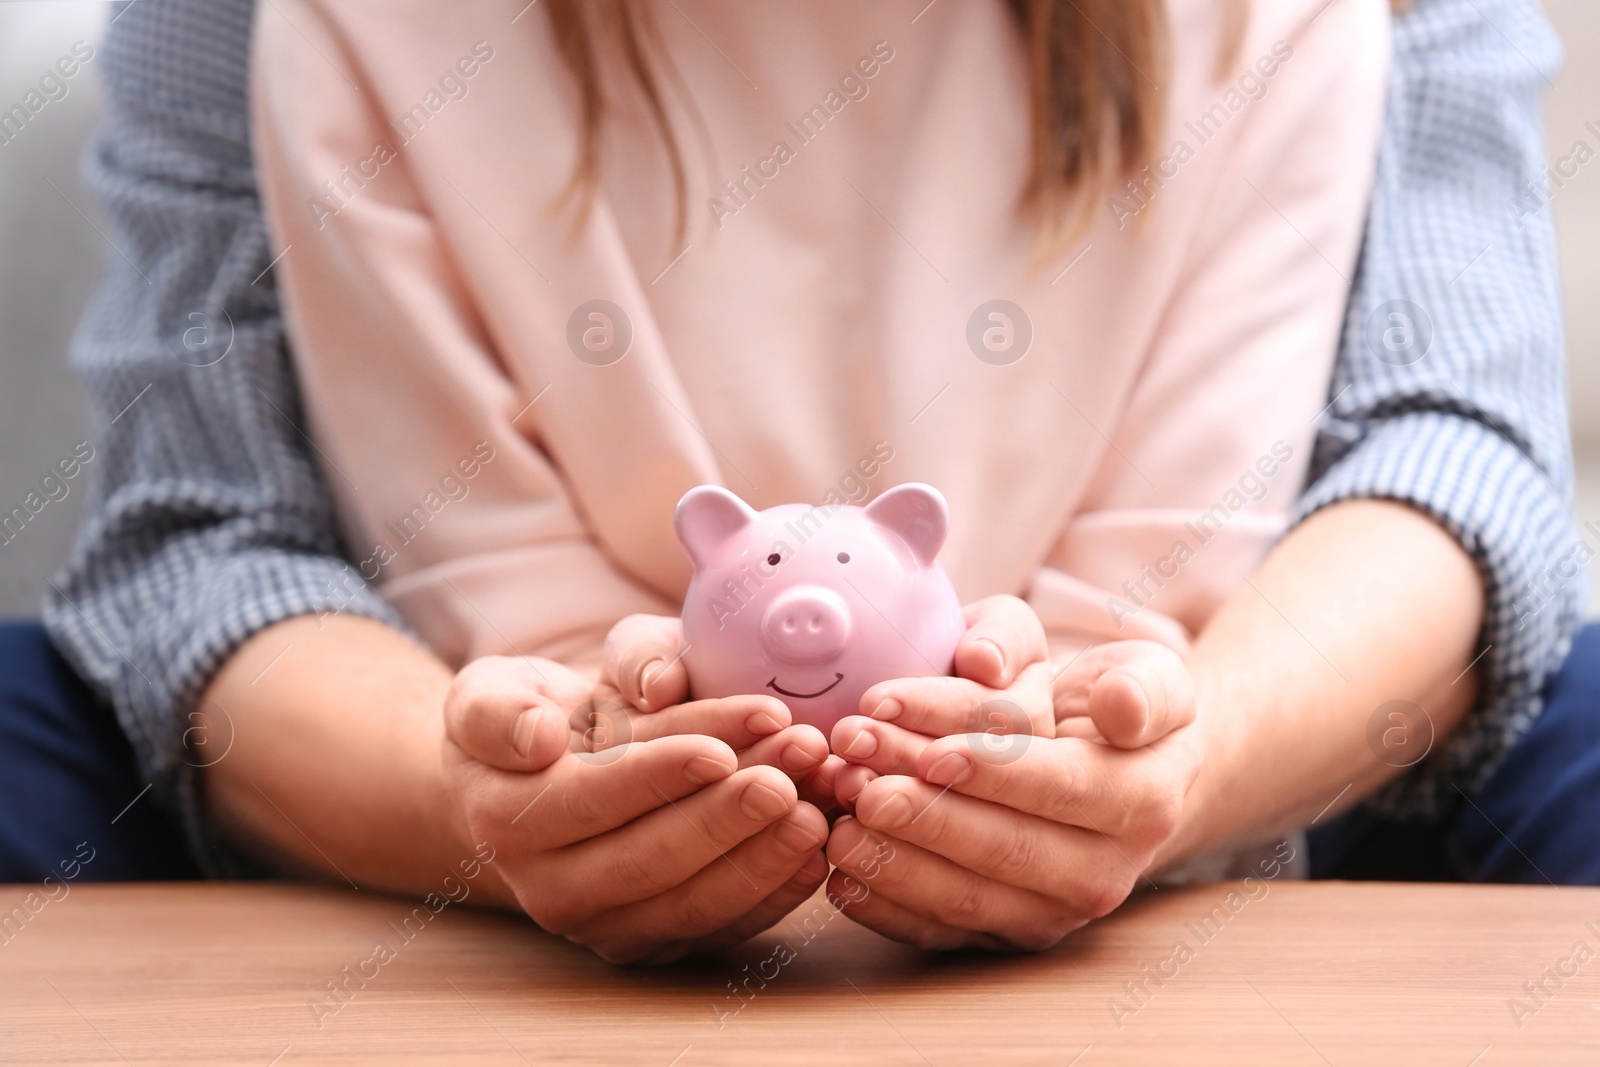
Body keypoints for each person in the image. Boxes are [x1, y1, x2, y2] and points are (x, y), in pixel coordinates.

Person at [2, 0, 1584, 964]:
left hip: (1252, 758)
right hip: (427, 731)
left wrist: (1192, 754)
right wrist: (466, 799)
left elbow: (1451, 456)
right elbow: (203, 541)